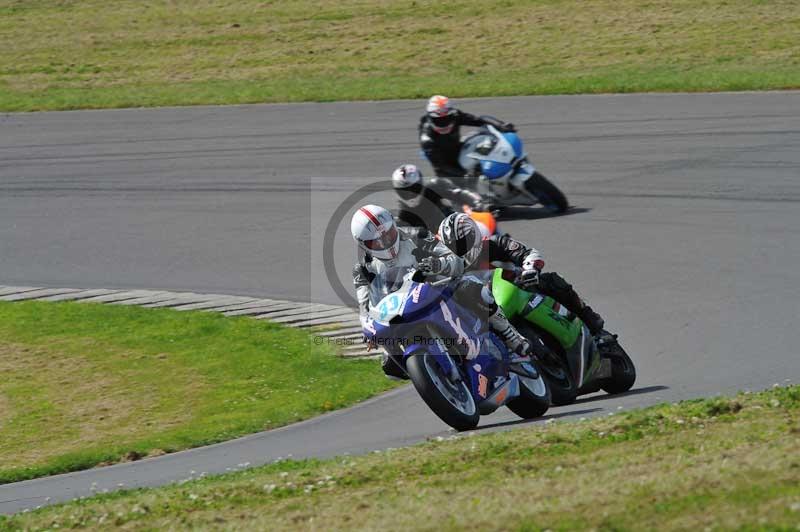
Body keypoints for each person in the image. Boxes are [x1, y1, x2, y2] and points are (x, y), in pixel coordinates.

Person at [350, 204, 532, 379]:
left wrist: (438, 264)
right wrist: (368, 329)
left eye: (388, 234)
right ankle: (430, 373)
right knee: (389, 366)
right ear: (364, 245)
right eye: (377, 242)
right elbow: (364, 305)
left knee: (475, 287)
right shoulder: (363, 269)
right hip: (398, 309)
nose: (386, 242)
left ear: (393, 225)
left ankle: (510, 336)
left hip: (436, 288)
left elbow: (455, 261)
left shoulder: (416, 235)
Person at [436, 212, 611, 342]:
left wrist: (529, 269)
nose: (461, 250)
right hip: (489, 311)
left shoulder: (495, 244)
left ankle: (594, 326)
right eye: (455, 247)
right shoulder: (449, 271)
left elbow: (529, 253)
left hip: (521, 289)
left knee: (552, 281)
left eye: (463, 243)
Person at [419, 95, 515, 178]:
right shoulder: (427, 139)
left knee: (482, 136)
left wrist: (500, 125)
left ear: (451, 114)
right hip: (447, 170)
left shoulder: (455, 115)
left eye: (446, 118)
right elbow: (440, 166)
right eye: (439, 120)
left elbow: (478, 120)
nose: (443, 123)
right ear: (430, 118)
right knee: (472, 196)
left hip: (458, 151)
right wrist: (464, 175)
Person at [391, 163, 492, 233]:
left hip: (457, 227)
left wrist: (478, 203)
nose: (410, 195)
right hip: (436, 250)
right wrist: (416, 232)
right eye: (404, 191)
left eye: (414, 189)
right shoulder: (402, 214)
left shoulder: (436, 186)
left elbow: (460, 193)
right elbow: (398, 232)